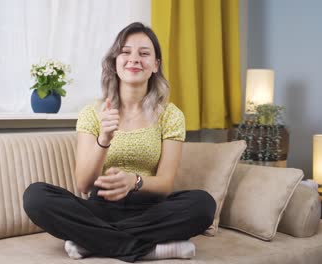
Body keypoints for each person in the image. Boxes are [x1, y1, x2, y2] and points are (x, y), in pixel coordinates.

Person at [23, 22, 216, 263]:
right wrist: (104, 139)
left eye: (144, 53)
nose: (134, 59)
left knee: (203, 204)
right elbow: (83, 184)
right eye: (125, 52)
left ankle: (91, 242)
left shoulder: (170, 115)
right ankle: (151, 249)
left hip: (149, 211)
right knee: (36, 196)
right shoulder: (92, 113)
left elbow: (166, 184)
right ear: (115, 61)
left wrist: (133, 181)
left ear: (155, 65)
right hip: (99, 209)